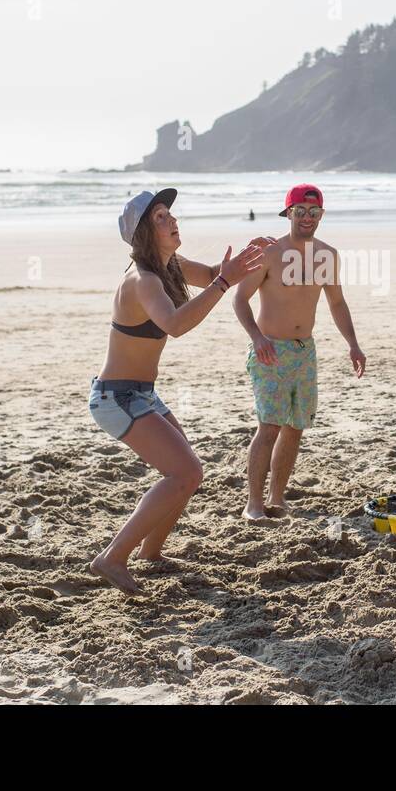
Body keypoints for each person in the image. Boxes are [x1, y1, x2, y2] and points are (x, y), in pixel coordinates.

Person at [88, 189, 269, 594]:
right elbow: (175, 324)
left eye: (171, 214)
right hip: (117, 398)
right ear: (142, 234)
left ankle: (150, 553)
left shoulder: (168, 267)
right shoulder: (143, 280)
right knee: (185, 472)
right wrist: (225, 281)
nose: (172, 221)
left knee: (186, 473)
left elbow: (209, 275)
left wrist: (244, 259)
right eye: (160, 217)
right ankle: (112, 557)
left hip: (142, 394)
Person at [233, 184, 366, 520]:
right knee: (270, 425)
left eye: (314, 212)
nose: (307, 218)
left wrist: (352, 343)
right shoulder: (270, 253)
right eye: (300, 211)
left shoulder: (327, 255)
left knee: (295, 427)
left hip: (305, 351)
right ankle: (253, 503)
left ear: (321, 215)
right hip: (270, 352)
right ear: (288, 212)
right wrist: (257, 338)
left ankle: (277, 499)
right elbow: (239, 299)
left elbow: (336, 302)